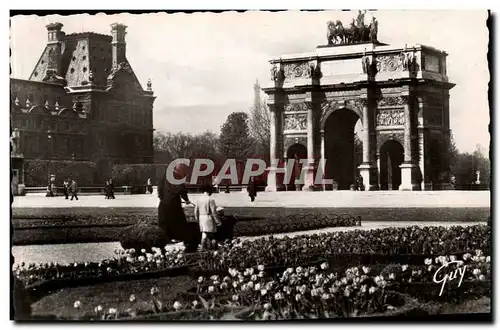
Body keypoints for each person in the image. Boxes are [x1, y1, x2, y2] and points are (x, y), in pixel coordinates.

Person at [158, 164, 197, 251]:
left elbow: (160, 187)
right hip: (174, 203)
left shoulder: (166, 175)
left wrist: (162, 198)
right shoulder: (177, 176)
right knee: (178, 221)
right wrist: (186, 200)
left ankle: (165, 239)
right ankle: (179, 238)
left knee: (164, 222)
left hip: (164, 203)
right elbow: (181, 190)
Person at [194, 184, 221, 251]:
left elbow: (195, 211)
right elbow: (213, 212)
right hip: (208, 217)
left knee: (204, 233)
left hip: (201, 217)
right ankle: (213, 248)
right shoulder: (210, 199)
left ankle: (203, 247)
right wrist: (218, 221)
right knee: (211, 234)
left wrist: (197, 219)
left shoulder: (199, 199)